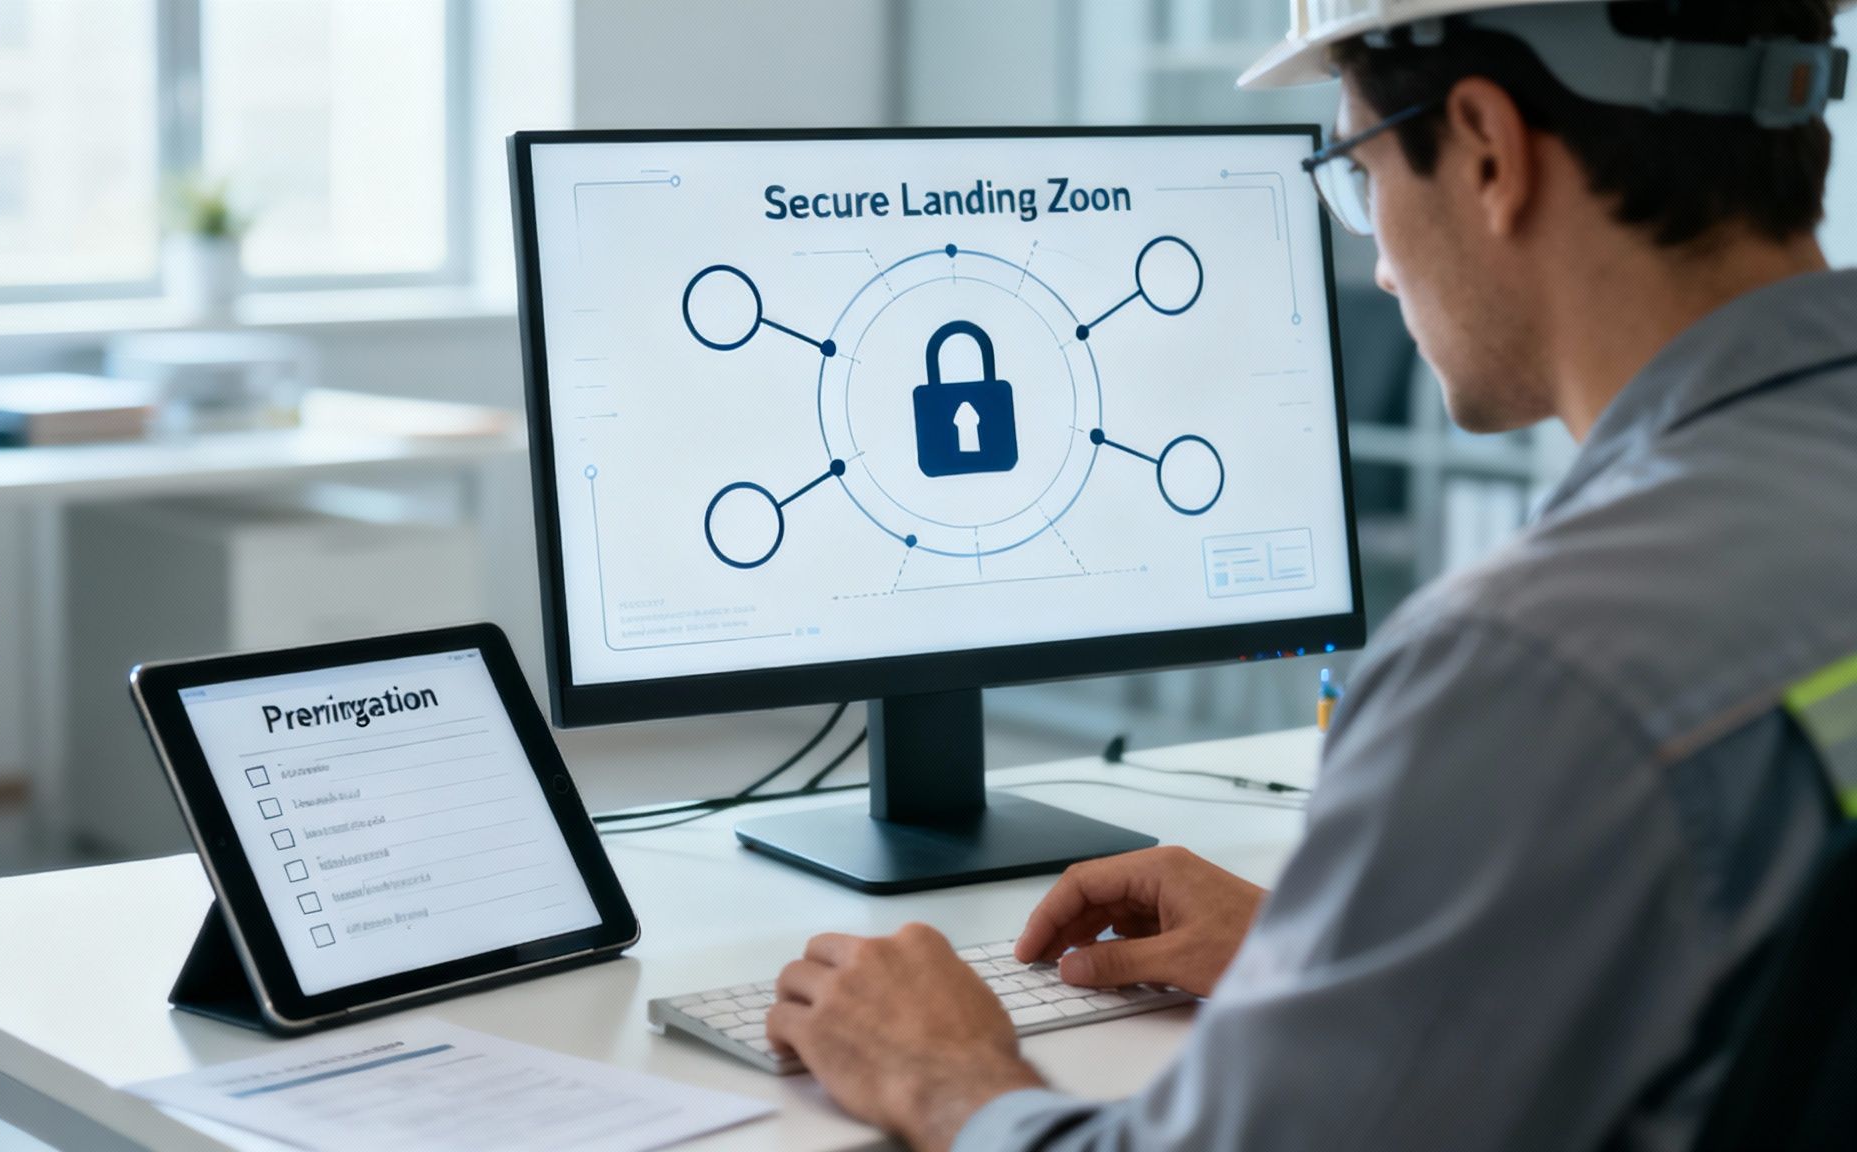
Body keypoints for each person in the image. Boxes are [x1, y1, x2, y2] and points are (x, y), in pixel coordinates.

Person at [763, 2, 1857, 1149]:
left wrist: (946, 1077)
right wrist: (1382, 951)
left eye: (1358, 172)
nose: (1379, 267)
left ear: (1486, 148)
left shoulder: (1532, 669)